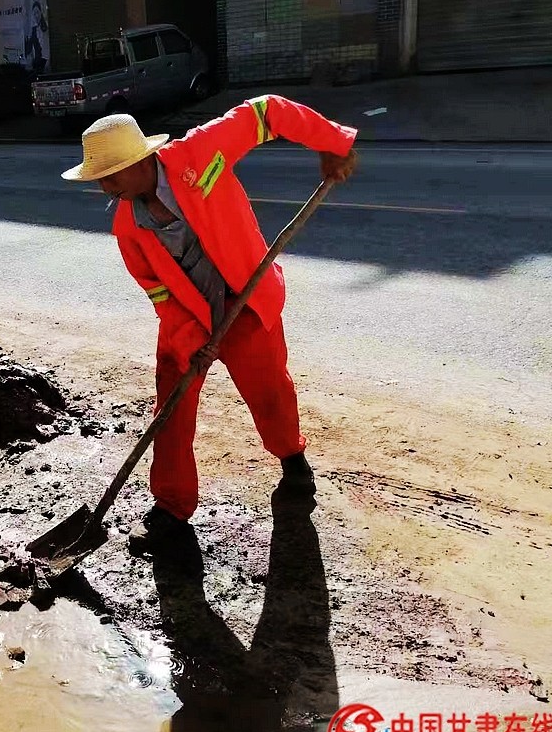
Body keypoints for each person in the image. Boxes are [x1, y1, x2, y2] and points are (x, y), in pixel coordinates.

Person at [61, 100, 358, 559]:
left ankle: (292, 459)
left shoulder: (200, 154)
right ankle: (171, 506)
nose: (104, 187)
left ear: (138, 162)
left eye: (110, 176)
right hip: (188, 317)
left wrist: (332, 143)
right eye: (99, 179)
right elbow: (159, 292)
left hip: (246, 301)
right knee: (170, 411)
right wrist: (191, 340)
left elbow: (267, 112)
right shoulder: (128, 226)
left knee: (269, 391)